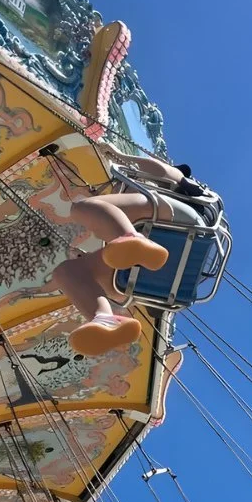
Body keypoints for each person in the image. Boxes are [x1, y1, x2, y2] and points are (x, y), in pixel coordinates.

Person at [52, 150, 221, 356]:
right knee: (67, 271)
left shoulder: (188, 183)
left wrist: (119, 155)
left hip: (184, 223)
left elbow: (163, 171)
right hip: (168, 269)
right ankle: (105, 319)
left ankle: (130, 237)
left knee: (83, 207)